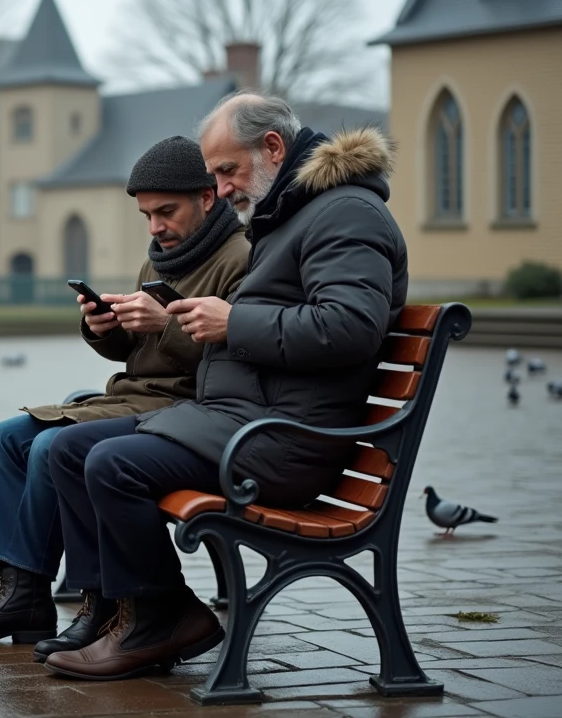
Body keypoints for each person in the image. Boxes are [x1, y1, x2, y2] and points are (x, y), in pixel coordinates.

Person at [42, 92, 409, 681]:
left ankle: (159, 620)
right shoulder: (291, 213)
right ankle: (134, 613)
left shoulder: (346, 214)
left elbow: (351, 327)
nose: (221, 187)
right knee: (68, 447)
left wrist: (232, 322)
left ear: (272, 148)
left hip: (285, 439)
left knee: (112, 464)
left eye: (226, 171)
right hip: (241, 421)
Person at [0, 136, 250, 657]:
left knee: (56, 448)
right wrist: (106, 327)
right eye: (146, 215)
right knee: (7, 437)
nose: (156, 227)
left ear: (207, 198)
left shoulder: (241, 259)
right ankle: (21, 595)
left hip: (185, 413)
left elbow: (234, 367)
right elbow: (141, 355)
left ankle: (103, 604)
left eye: (166, 212)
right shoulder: (160, 260)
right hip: (137, 398)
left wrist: (164, 323)